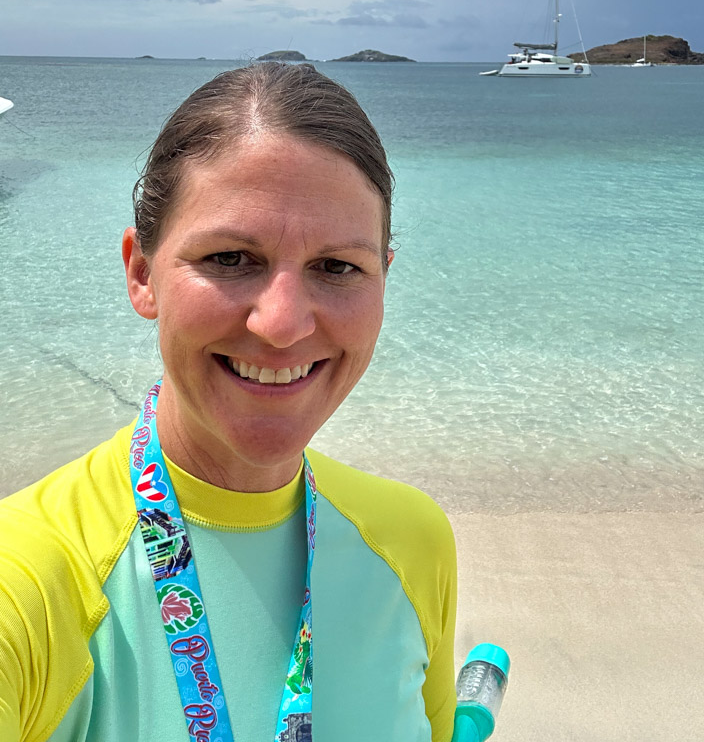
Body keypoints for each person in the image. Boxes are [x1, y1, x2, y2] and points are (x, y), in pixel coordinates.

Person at [0, 63, 458, 742]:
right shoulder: (30, 579)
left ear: (382, 279)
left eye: (338, 267)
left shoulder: (412, 542)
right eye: (229, 259)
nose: (282, 323)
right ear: (141, 273)